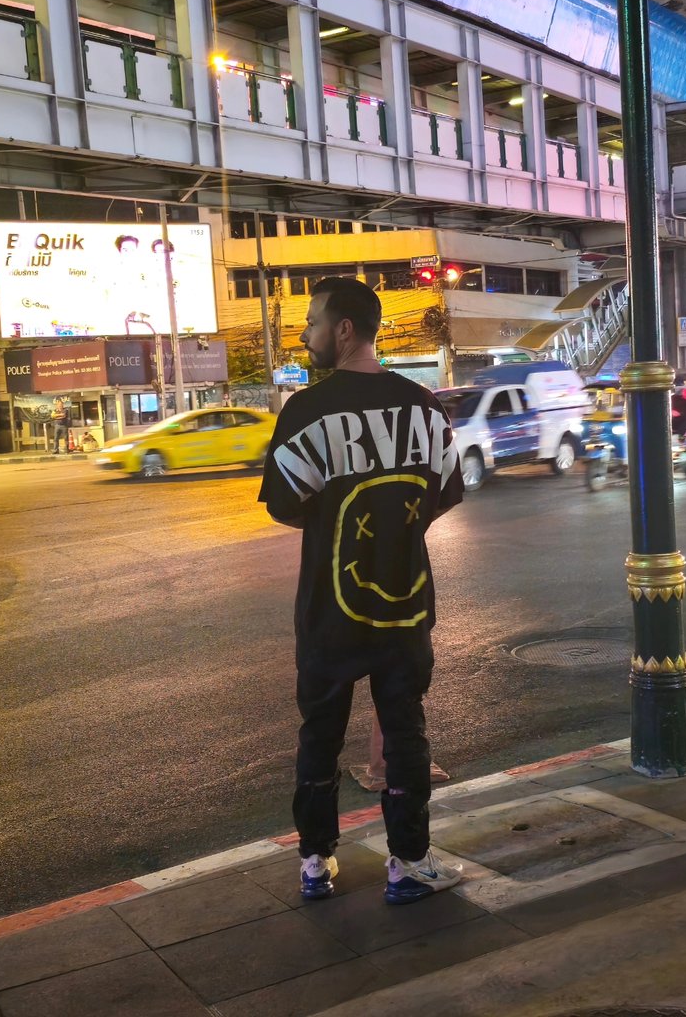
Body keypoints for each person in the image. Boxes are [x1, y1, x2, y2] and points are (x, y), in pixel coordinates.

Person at [259, 277, 465, 905]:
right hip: (405, 605)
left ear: (343, 329)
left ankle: (316, 862)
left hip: (329, 610)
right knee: (405, 733)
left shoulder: (307, 412)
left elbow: (285, 506)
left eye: (312, 322)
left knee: (320, 734)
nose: (305, 335)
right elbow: (444, 493)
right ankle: (409, 862)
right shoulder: (425, 407)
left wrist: (334, 519)